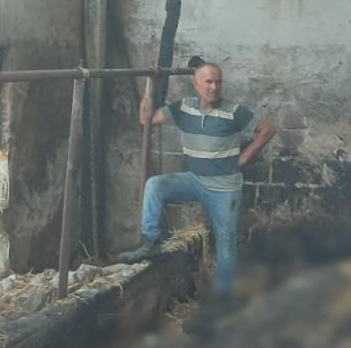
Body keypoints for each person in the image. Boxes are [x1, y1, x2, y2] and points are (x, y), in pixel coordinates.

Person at [118, 60, 277, 301]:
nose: (214, 87)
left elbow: (267, 129)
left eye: (218, 82)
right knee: (156, 185)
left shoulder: (233, 111)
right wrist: (151, 84)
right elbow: (146, 119)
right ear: (196, 84)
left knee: (225, 243)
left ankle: (224, 301)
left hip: (225, 189)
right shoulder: (184, 108)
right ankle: (150, 242)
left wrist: (245, 156)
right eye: (209, 82)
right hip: (194, 180)